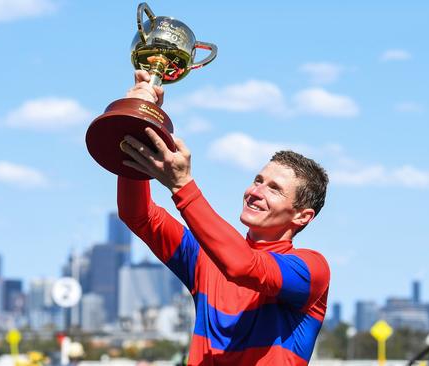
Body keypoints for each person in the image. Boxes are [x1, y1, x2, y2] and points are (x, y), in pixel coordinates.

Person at [117, 70, 331, 365]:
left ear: (302, 217)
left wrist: (182, 186)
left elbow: (243, 265)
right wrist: (139, 123)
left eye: (274, 189)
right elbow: (137, 214)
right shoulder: (206, 255)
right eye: (258, 180)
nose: (256, 192)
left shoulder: (311, 269)